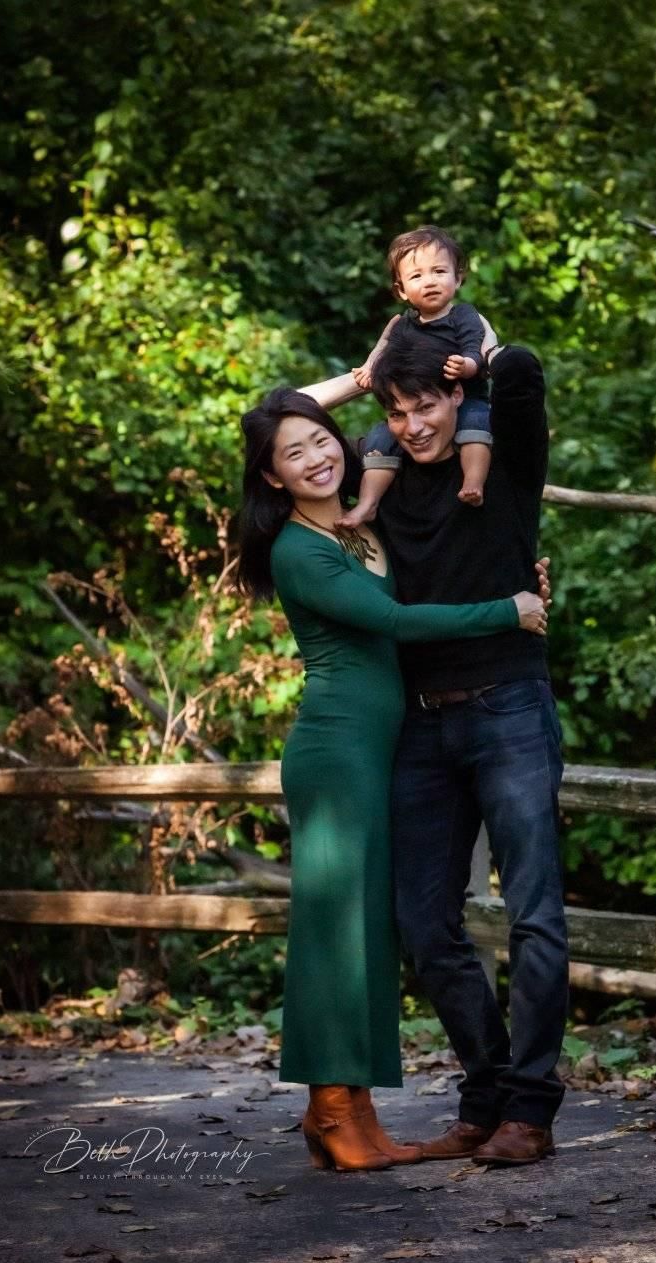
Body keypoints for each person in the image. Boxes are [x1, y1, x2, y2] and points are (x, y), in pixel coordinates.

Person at [235, 385, 550, 1173]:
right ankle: (331, 1110)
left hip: (390, 746)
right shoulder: (300, 551)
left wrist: (373, 374)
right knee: (333, 935)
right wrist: (507, 609)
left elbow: (442, 566)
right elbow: (402, 623)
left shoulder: (359, 525)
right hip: (338, 750)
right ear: (271, 477)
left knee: (371, 930)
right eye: (292, 453)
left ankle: (352, 1112)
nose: (315, 457)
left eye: (320, 441)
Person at [313, 324, 567, 1167]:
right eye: (399, 410)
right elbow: (276, 425)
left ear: (458, 395)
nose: (416, 424)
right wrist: (363, 380)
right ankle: (485, 1094)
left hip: (511, 709)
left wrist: (476, 345)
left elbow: (525, 374)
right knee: (423, 923)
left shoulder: (501, 463)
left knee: (533, 914)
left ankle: (530, 1110)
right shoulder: (376, 475)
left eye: (428, 404)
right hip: (419, 721)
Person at [340, 225, 493, 528]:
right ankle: (368, 504)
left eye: (439, 271)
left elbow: (475, 349)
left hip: (466, 397)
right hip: (414, 401)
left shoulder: (463, 316)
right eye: (417, 276)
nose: (430, 282)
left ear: (458, 277)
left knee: (477, 423)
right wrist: (370, 367)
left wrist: (467, 366)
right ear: (401, 290)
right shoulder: (403, 325)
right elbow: (383, 349)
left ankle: (473, 481)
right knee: (379, 439)